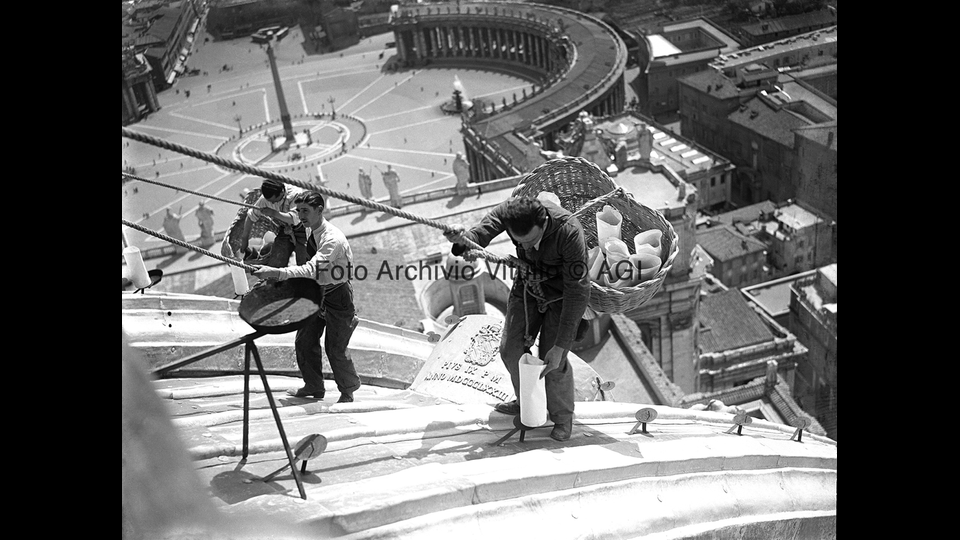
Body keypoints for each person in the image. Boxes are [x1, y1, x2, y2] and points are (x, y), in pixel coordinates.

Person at [444, 196, 590, 441]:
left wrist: (562, 344)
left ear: (543, 222)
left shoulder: (569, 232)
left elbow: (578, 290)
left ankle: (562, 417)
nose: (529, 247)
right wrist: (461, 241)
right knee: (510, 350)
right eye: (521, 242)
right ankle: (526, 402)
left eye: (532, 241)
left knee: (552, 360)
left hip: (561, 295)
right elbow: (480, 234)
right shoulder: (509, 211)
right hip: (527, 285)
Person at [253, 191, 361, 403]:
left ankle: (347, 392)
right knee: (304, 341)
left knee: (335, 348)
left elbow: (312, 268)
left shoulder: (333, 239)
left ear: (319, 211)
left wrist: (276, 272)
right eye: (299, 210)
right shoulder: (312, 228)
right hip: (316, 292)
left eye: (305, 211)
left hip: (337, 296)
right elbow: (292, 219)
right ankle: (313, 386)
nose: (301, 216)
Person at [223, 179, 307, 267]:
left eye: (274, 201)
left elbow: (295, 218)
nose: (272, 203)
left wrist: (273, 213)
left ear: (282, 192)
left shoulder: (296, 194)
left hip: (304, 228)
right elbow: (251, 216)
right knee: (276, 262)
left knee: (304, 261)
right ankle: (274, 279)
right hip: (285, 229)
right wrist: (244, 240)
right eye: (270, 201)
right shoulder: (265, 199)